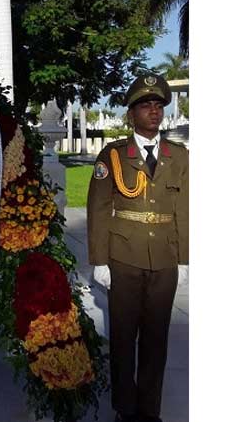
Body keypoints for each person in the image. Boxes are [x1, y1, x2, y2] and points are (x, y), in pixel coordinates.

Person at [87, 73, 189, 422]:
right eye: (145, 105)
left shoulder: (179, 156)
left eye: (158, 105)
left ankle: (149, 411)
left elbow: (185, 209)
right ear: (132, 114)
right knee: (122, 339)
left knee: (156, 341)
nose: (153, 112)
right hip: (124, 259)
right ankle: (124, 409)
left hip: (164, 260)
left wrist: (186, 259)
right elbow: (98, 208)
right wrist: (100, 259)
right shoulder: (113, 155)